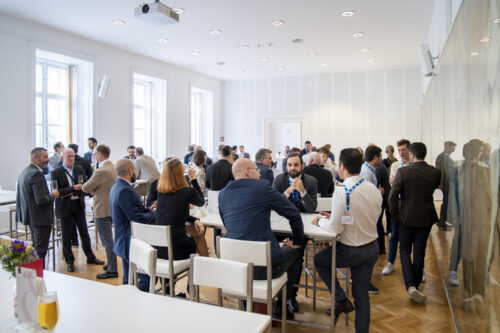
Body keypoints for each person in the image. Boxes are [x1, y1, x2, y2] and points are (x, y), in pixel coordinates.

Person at [218, 158, 304, 320]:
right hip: (263, 268)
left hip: (235, 267)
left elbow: (230, 227)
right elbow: (293, 214)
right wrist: (298, 241)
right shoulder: (262, 187)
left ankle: (248, 307)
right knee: (297, 252)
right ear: (247, 171)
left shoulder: (223, 194)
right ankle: (282, 304)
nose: (259, 173)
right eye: (256, 170)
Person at [312, 148, 381, 332]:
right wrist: (336, 216)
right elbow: (372, 214)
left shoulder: (342, 191)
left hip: (351, 250)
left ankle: (341, 299)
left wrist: (321, 221)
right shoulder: (373, 188)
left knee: (319, 260)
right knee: (362, 298)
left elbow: (336, 228)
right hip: (372, 247)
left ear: (342, 166)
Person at [389, 142, 441, 304]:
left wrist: (395, 216)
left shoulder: (404, 171)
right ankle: (415, 285)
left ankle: (411, 285)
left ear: (412, 154)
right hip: (426, 217)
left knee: (404, 250)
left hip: (406, 218)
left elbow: (392, 196)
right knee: (420, 251)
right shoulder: (435, 172)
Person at [50, 148, 104, 272]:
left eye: (73, 156)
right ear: (62, 158)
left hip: (78, 205)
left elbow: (85, 185)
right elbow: (56, 192)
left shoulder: (79, 169)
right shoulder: (56, 173)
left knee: (84, 233)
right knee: (67, 236)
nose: (71, 159)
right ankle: (70, 261)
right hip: (64, 207)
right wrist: (72, 188)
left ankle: (90, 257)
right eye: (68, 157)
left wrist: (71, 190)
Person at [110, 158, 156, 290]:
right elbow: (136, 217)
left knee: (129, 277)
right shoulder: (124, 189)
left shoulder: (117, 186)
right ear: (130, 171)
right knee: (144, 277)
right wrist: (156, 214)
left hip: (123, 238)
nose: (135, 172)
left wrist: (148, 209)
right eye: (135, 170)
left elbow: (131, 210)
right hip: (129, 239)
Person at [156, 158, 208, 259]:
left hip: (160, 249)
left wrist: (195, 220)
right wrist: (193, 179)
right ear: (181, 174)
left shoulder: (162, 192)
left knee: (196, 232)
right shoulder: (186, 191)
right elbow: (201, 202)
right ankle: (204, 265)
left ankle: (203, 265)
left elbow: (178, 213)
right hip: (177, 250)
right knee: (199, 234)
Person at [16, 147, 60, 267]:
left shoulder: (25, 171)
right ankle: (39, 277)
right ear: (35, 158)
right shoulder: (36, 173)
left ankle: (35, 278)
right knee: (40, 251)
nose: (48, 159)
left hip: (32, 217)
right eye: (45, 157)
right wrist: (53, 195)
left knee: (36, 249)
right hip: (41, 218)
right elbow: (41, 200)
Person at [82, 144, 119, 279]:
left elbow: (86, 187)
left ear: (100, 155)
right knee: (109, 238)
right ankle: (111, 263)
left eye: (94, 154)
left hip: (102, 208)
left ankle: (112, 269)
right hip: (111, 206)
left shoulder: (100, 171)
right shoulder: (113, 167)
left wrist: (92, 188)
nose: (94, 156)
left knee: (107, 240)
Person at [383, 139, 411, 276]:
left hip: (411, 205)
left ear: (409, 150)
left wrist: (400, 181)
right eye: (399, 150)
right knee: (394, 235)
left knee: (410, 237)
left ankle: (416, 267)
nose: (401, 152)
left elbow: (398, 181)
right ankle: (390, 262)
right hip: (398, 203)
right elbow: (392, 182)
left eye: (403, 150)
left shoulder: (414, 164)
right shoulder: (395, 165)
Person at [435, 141, 456, 231]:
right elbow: (442, 172)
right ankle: (442, 222)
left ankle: (442, 221)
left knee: (446, 202)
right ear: (447, 147)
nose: (454, 149)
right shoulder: (442, 157)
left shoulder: (446, 157)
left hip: (448, 183)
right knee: (446, 203)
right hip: (446, 183)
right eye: (452, 147)